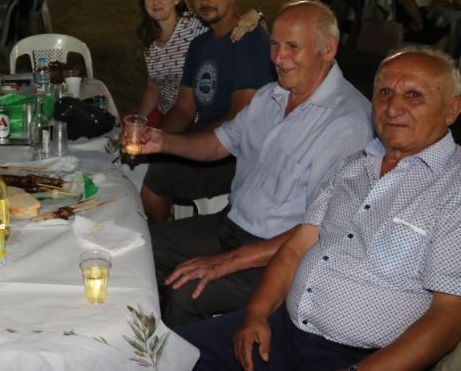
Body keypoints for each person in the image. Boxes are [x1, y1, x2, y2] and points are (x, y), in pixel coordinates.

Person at [179, 46, 461, 371]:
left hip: (359, 359)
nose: (393, 107)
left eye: (414, 95)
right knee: (164, 353)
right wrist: (256, 314)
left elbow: (450, 316)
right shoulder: (354, 166)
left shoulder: (452, 188)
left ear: (451, 110)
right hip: (282, 330)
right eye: (385, 92)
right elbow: (295, 248)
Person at [130, 0, 373, 327]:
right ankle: (144, 334)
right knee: (141, 247)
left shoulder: (348, 124)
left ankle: (184, 346)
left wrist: (228, 261)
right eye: (274, 45)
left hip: (277, 254)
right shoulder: (270, 96)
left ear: (327, 49)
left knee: (187, 293)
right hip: (229, 224)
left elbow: (322, 230)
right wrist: (163, 141)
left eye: (292, 47)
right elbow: (217, 144)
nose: (279, 57)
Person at [138, 0, 273, 224]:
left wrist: (179, 144)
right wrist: (157, 136)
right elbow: (183, 109)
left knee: (155, 181)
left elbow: (238, 120)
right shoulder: (199, 45)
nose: (205, 1)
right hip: (207, 139)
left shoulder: (249, 41)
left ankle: (163, 238)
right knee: (137, 167)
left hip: (241, 156)